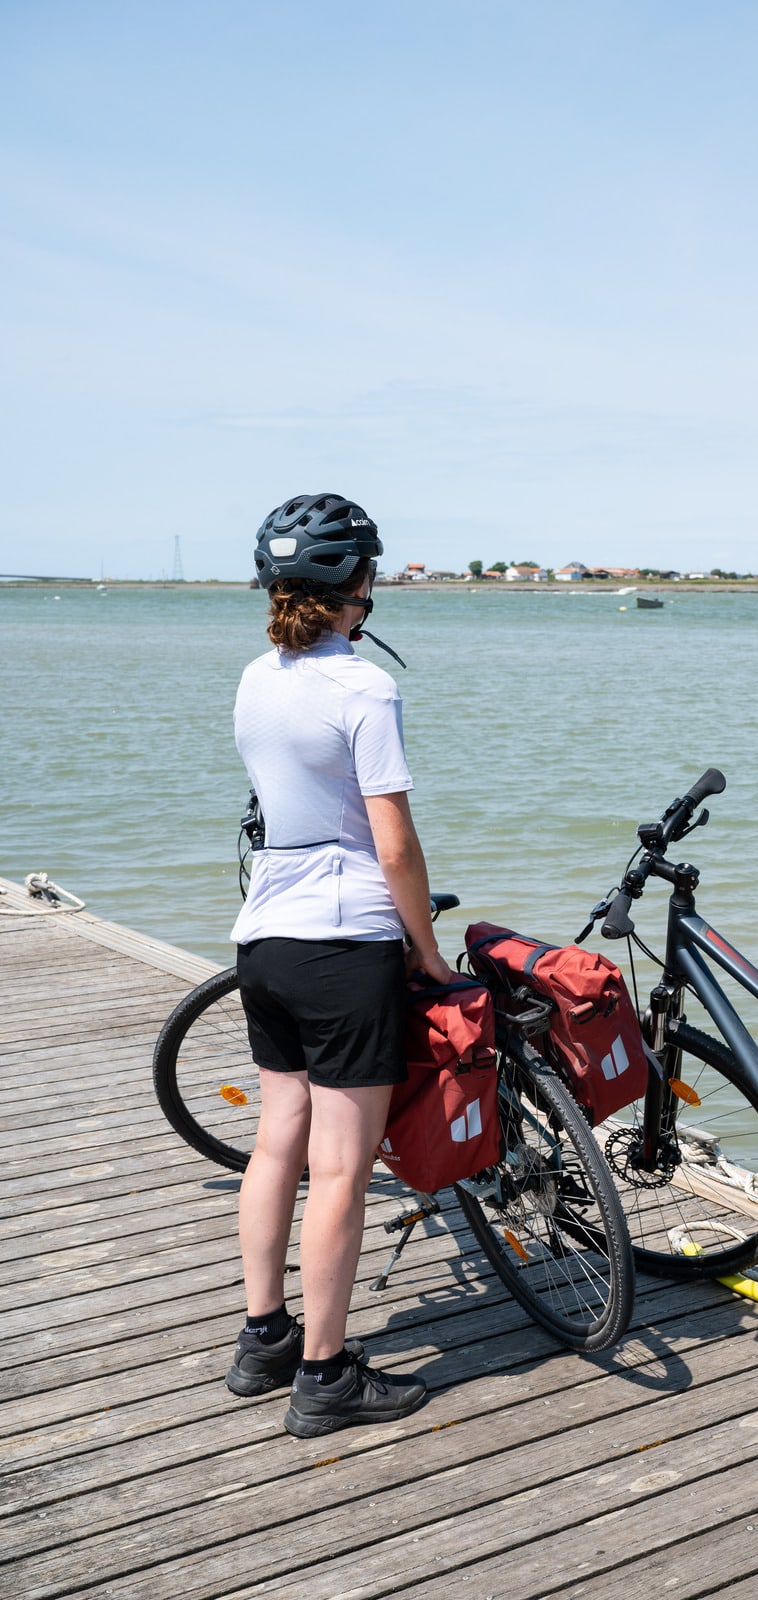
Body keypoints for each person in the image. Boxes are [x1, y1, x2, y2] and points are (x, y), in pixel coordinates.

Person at [223, 492, 451, 1439]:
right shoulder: (362, 688)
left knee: (279, 1137)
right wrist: (429, 954)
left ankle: (262, 1338)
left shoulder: (254, 677)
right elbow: (392, 843)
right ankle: (324, 1377)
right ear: (356, 586)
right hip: (345, 939)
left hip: (263, 936)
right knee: (343, 1168)